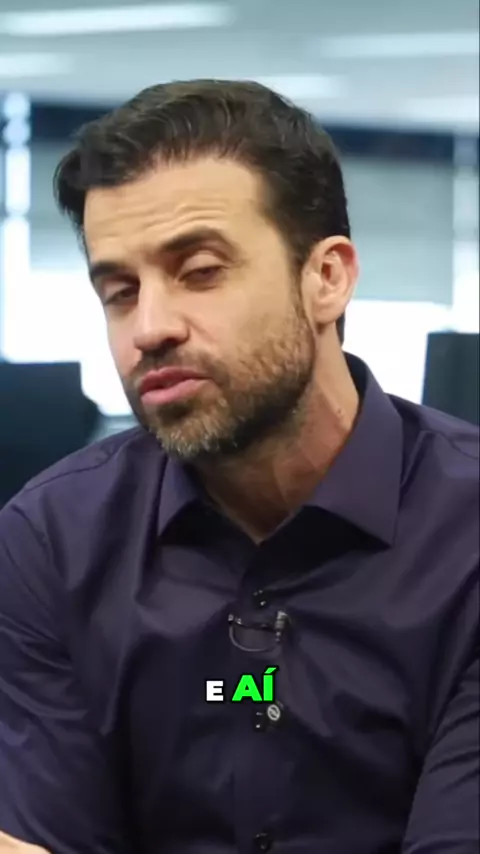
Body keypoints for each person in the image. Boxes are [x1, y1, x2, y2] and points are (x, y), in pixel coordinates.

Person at [0, 79, 478, 854]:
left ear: (327, 278)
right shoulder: (53, 541)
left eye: (199, 272)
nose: (150, 327)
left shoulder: (466, 537)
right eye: (120, 291)